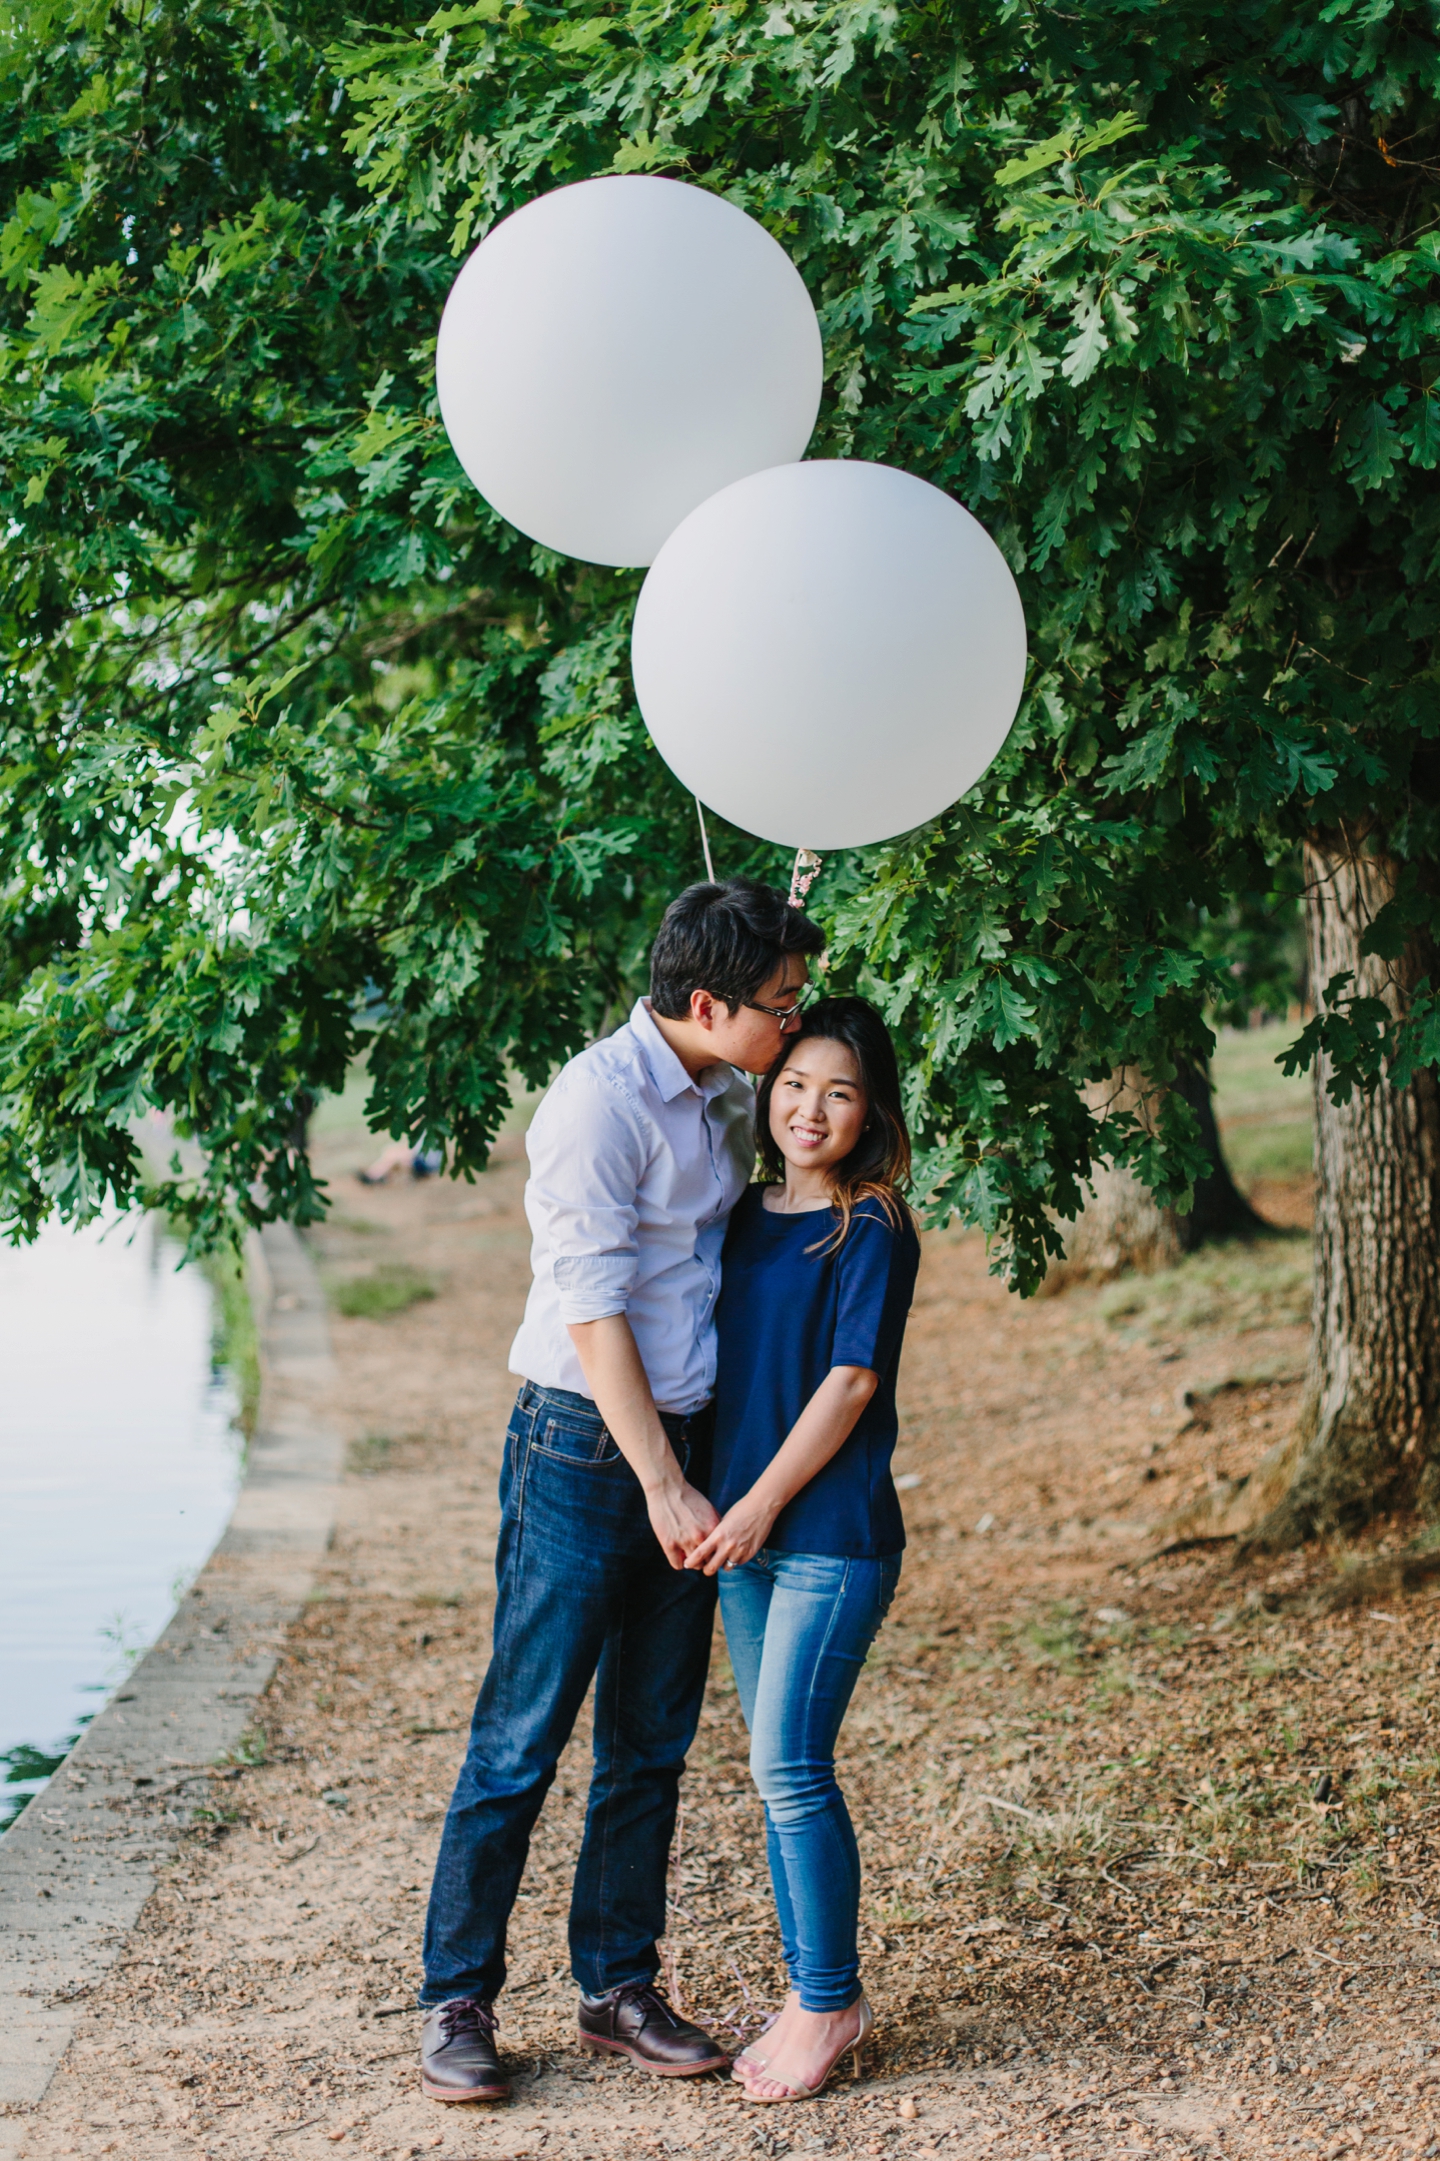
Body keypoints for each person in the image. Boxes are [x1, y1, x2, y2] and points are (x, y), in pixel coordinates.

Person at [417, 879, 826, 2105]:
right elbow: (593, 1307)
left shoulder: (725, 1088)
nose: (794, 1024)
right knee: (520, 1734)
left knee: (651, 1736)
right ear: (708, 1004)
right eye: (779, 1004)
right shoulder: (596, 1105)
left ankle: (617, 1985)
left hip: (692, 1443)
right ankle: (457, 2000)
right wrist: (658, 1479)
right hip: (590, 1448)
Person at [685, 997, 920, 2106]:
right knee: (773, 1776)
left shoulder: (868, 1222)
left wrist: (764, 1504)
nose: (809, 1106)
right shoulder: (738, 1213)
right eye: (793, 1083)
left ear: (869, 1108)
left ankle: (830, 1999)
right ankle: (807, 1990)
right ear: (765, 1090)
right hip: (744, 1534)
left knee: (791, 1765)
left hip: (825, 1535)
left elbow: (851, 1380)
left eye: (839, 1089)